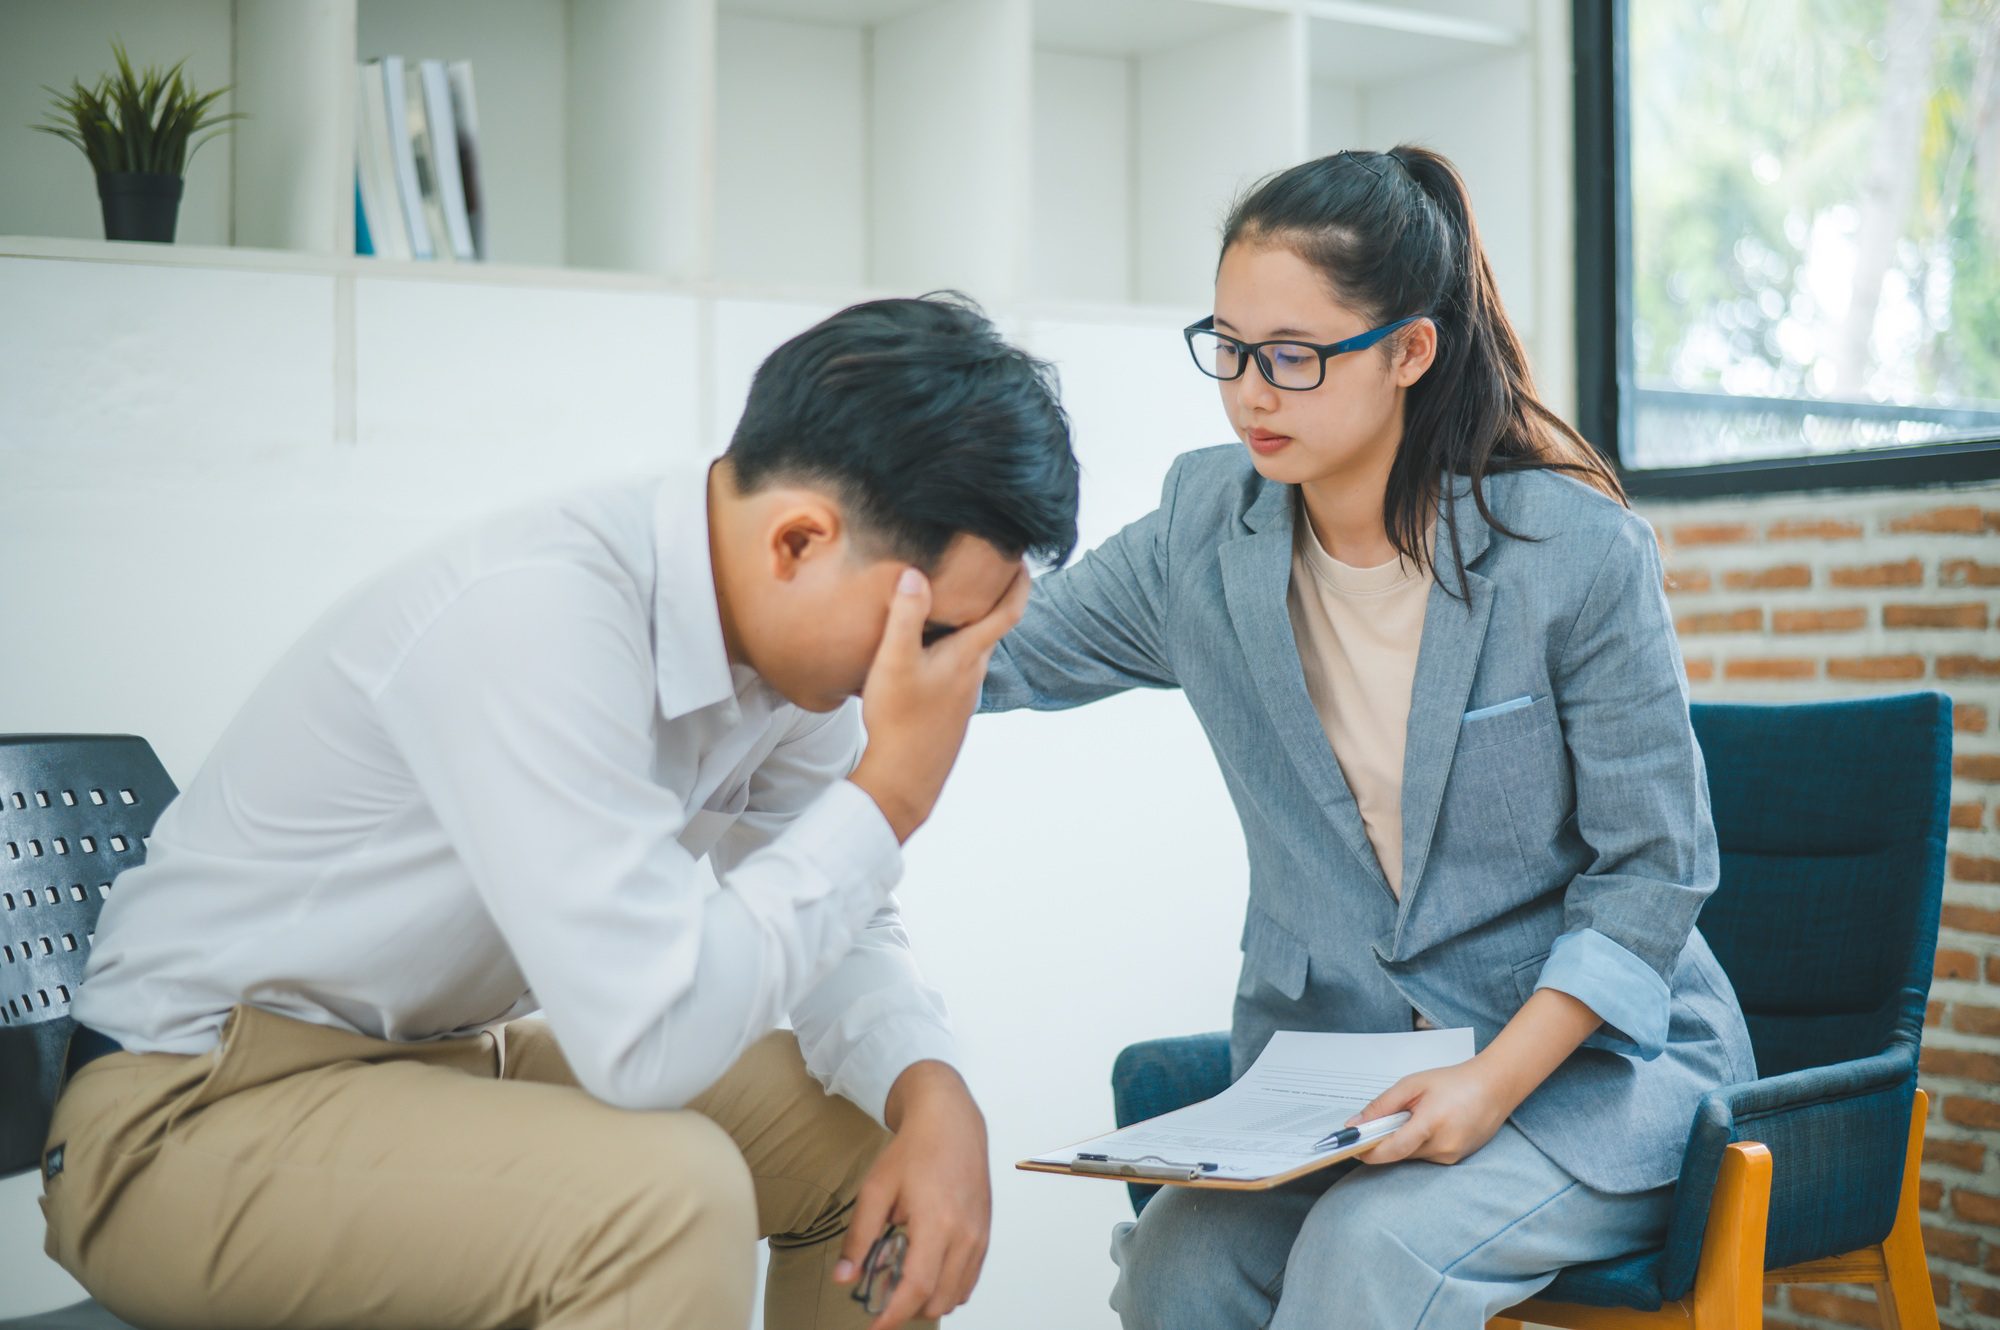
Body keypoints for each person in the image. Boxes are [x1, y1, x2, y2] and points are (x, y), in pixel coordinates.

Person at [41, 294, 1080, 1330]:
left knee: (860, 1136)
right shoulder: (540, 617)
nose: (929, 677)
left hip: (440, 1064)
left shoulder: (789, 672)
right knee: (665, 1198)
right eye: (931, 630)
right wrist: (890, 793)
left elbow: (835, 925)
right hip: (181, 1117)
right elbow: (647, 1039)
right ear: (799, 540)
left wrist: (926, 1088)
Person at [978, 147, 1755, 1328]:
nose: (1248, 393)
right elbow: (1004, 652)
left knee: (1369, 1248)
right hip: (1342, 1081)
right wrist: (823, 625)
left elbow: (1654, 871)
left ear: (1406, 351)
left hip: (1588, 1077)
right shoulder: (1205, 532)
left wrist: (1490, 1083)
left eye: (1291, 357)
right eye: (1228, 349)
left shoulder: (1571, 555)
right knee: (1171, 1263)